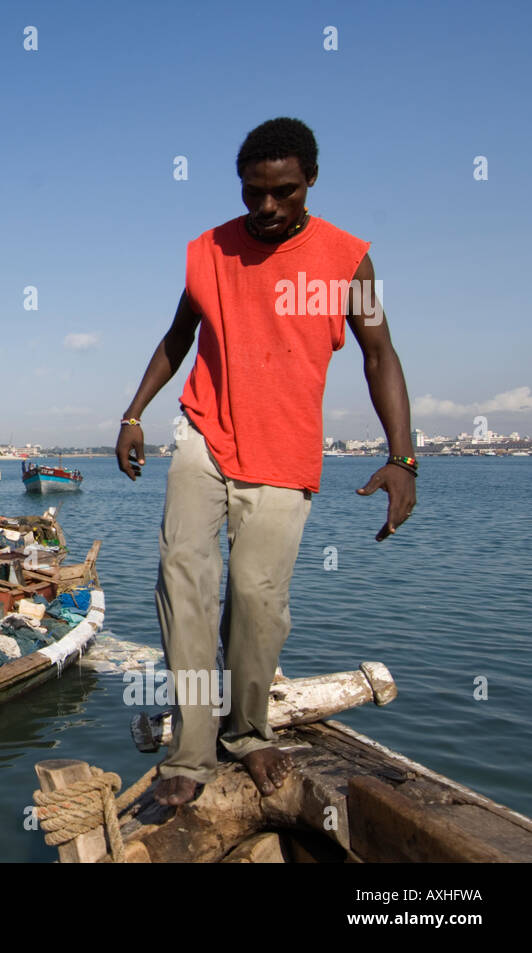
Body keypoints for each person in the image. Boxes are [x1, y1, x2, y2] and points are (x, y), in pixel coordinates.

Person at [116, 118, 415, 808]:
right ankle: (189, 751)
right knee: (183, 586)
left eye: (283, 192)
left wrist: (404, 458)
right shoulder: (210, 250)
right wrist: (133, 414)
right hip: (204, 436)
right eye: (255, 193)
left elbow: (379, 354)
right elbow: (177, 337)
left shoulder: (346, 258)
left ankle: (247, 732)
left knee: (257, 601)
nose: (268, 207)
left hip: (285, 451)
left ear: (310, 181)